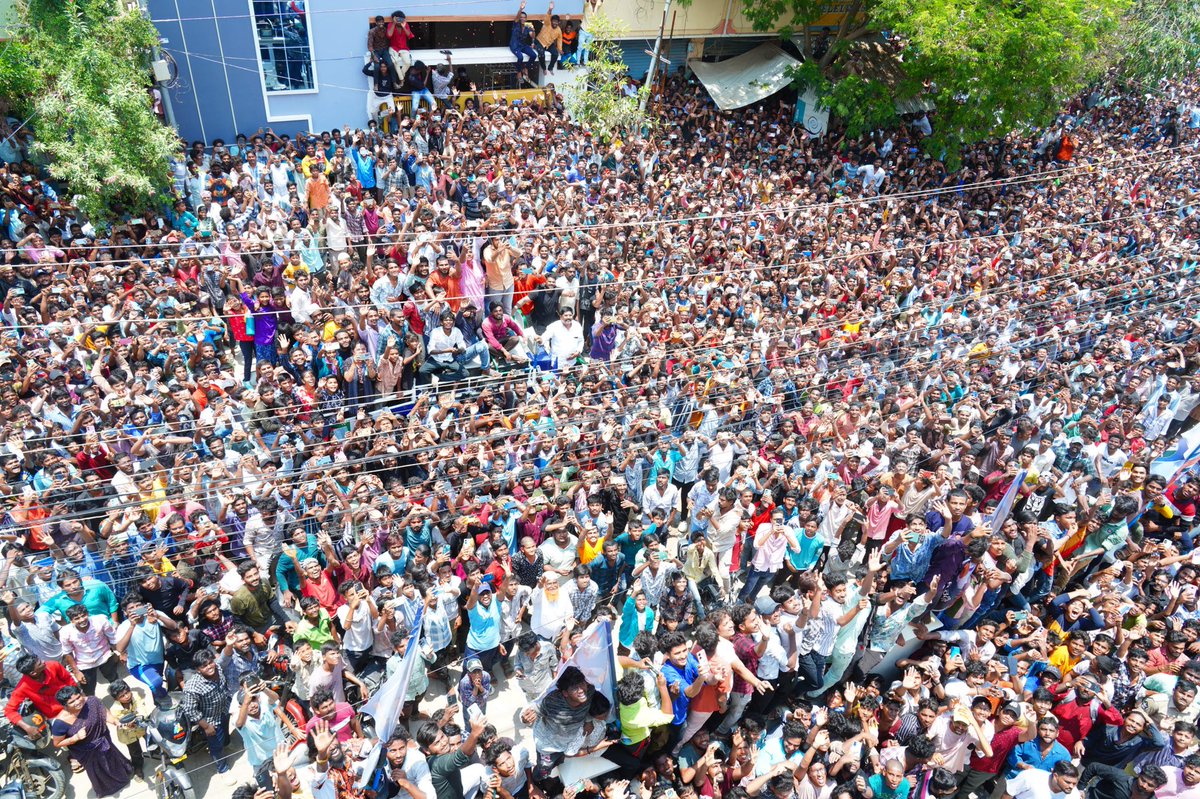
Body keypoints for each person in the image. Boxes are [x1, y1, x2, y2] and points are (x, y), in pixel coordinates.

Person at [49, 685, 133, 798]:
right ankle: (107, 787)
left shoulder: (92, 702)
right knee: (98, 770)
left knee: (112, 759)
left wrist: (116, 722)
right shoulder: (60, 723)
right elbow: (57, 743)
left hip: (103, 739)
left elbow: (105, 714)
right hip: (86, 751)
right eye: (72, 702)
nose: (78, 702)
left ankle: (122, 774)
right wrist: (75, 738)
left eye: (78, 697)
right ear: (65, 706)